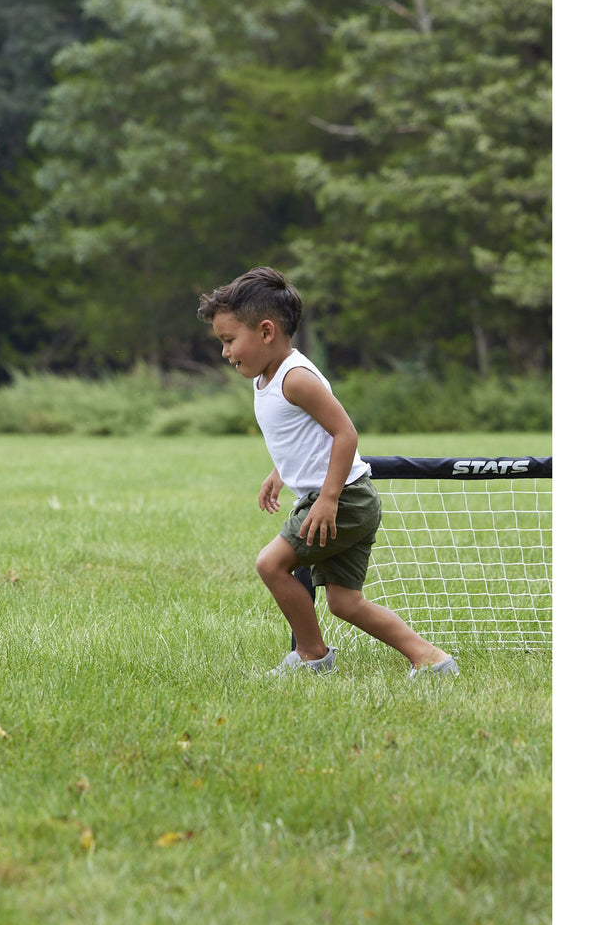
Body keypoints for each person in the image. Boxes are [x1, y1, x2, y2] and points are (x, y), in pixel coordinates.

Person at [196, 267, 459, 678]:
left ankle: (312, 655)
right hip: (341, 497)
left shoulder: (296, 378)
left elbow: (344, 433)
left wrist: (330, 499)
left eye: (230, 341)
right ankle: (430, 659)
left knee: (271, 564)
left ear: (266, 332)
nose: (226, 352)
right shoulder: (265, 373)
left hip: (345, 500)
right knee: (344, 603)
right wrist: (279, 472)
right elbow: (303, 435)